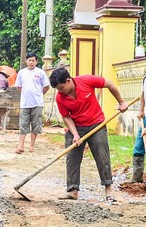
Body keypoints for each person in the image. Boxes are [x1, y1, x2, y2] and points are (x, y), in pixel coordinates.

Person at [49, 67, 129, 201]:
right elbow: (66, 117)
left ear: (68, 81)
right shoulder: (60, 97)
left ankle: (108, 190)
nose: (60, 91)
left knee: (102, 156)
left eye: (61, 88)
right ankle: (73, 190)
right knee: (72, 157)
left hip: (96, 124)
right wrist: (75, 135)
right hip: (75, 126)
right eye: (58, 89)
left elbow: (109, 84)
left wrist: (121, 102)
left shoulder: (86, 81)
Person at [15, 52, 50, 154]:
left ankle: (32, 145)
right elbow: (18, 86)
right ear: (26, 61)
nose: (31, 62)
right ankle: (20, 145)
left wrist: (39, 94)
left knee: (36, 124)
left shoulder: (40, 73)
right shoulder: (21, 73)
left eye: (33, 60)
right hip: (25, 103)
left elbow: (46, 86)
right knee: (23, 124)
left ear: (36, 61)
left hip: (37, 103)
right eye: (29, 60)